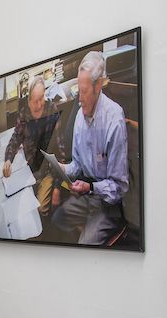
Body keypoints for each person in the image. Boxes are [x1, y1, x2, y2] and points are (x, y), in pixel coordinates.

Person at [52, 51, 129, 245]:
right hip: (89, 195)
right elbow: (77, 165)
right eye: (79, 91)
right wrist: (62, 168)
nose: (79, 100)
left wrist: (91, 187)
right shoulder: (80, 116)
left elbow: (119, 187)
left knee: (84, 245)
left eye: (84, 92)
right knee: (57, 219)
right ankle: (86, 229)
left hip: (109, 203)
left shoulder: (114, 119)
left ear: (98, 85)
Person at [2, 75, 62, 216]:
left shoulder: (52, 111)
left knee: (40, 210)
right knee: (16, 206)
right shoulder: (24, 113)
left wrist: (58, 187)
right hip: (29, 168)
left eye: (42, 98)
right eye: (35, 101)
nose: (39, 104)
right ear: (28, 101)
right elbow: (16, 137)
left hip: (47, 171)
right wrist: (8, 159)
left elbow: (60, 152)